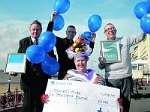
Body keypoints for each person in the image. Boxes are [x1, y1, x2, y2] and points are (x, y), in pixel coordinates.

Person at [98, 23, 146, 112]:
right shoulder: (104, 47)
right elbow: (101, 67)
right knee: (113, 104)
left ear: (116, 30)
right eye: (108, 29)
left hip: (126, 77)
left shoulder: (125, 39)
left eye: (112, 28)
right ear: (105, 33)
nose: (110, 30)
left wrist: (145, 26)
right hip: (111, 79)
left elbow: (140, 37)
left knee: (126, 104)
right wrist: (101, 63)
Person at [17, 20, 56, 112]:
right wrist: (14, 70)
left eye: (37, 30)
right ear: (30, 30)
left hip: (42, 83)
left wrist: (45, 56)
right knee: (27, 107)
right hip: (27, 82)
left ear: (41, 31)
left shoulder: (46, 42)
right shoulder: (23, 42)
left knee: (40, 108)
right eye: (33, 29)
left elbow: (53, 58)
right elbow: (19, 58)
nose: (35, 31)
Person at [47, 12, 96, 80]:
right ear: (66, 32)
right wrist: (51, 20)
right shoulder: (60, 41)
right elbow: (49, 35)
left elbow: (88, 52)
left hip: (74, 74)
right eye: (69, 31)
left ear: (75, 34)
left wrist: (92, 42)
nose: (71, 33)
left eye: (73, 32)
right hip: (62, 73)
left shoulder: (78, 44)